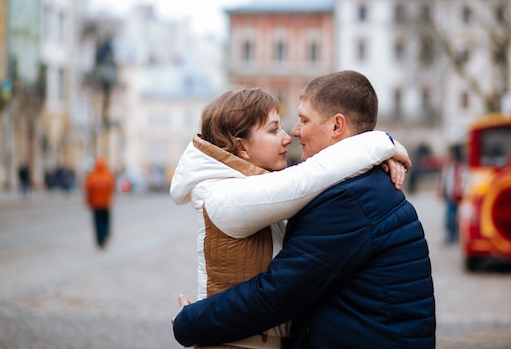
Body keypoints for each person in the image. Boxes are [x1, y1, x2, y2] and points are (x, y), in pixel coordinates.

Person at [173, 71, 435, 349]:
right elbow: (301, 181)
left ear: (336, 126)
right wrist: (384, 145)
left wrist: (190, 322)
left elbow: (279, 293)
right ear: (242, 146)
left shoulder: (350, 198)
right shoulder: (351, 186)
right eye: (276, 129)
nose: (293, 133)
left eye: (304, 120)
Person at [84, 157, 115, 249]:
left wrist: (88, 201)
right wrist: (110, 200)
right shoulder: (108, 175)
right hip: (105, 204)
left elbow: (88, 190)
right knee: (105, 221)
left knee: (97, 223)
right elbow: (111, 189)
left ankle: (99, 240)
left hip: (96, 204)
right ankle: (105, 234)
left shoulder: (92, 177)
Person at [438, 144, 466, 245]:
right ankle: (450, 236)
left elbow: (462, 180)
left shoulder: (460, 166)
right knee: (449, 217)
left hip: (457, 195)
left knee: (455, 217)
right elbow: (444, 179)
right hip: (449, 194)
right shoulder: (449, 165)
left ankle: (454, 236)